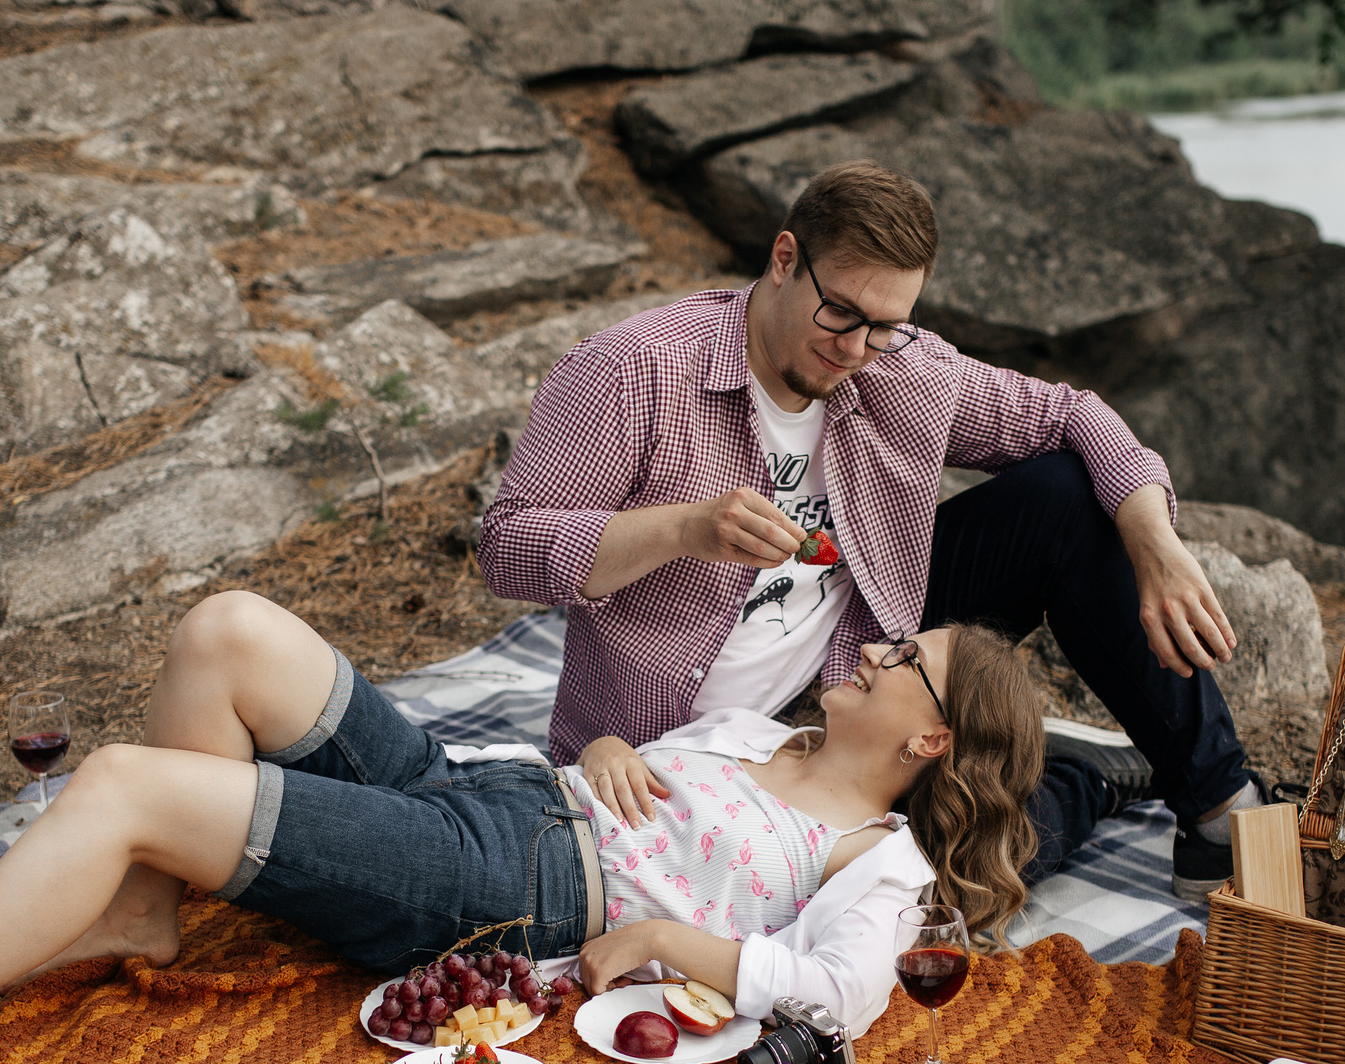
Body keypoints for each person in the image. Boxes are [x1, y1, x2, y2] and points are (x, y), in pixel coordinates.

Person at [0, 591, 1045, 1064]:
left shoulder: (876, 855)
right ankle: (148, 908)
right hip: (499, 794)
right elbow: (645, 778)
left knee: (115, 781)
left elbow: (834, 995)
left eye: (897, 658)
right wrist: (624, 752)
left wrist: (667, 942)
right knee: (224, 630)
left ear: (930, 736)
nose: (866, 649)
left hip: (505, 889)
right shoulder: (760, 721)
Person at [476, 159, 1266, 901]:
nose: (856, 349)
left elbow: (1071, 414)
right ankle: (1087, 778)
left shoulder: (901, 366)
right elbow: (506, 547)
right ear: (784, 257)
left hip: (855, 668)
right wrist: (683, 529)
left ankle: (1219, 807)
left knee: (1068, 493)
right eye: (841, 313)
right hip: (683, 744)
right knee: (916, 883)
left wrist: (1157, 543)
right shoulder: (633, 372)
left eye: (885, 326)